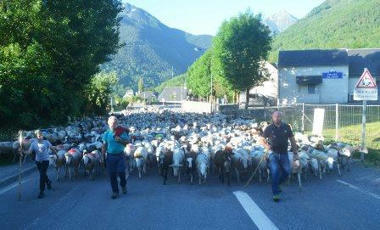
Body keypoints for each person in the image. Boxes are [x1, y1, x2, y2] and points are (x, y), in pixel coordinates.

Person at [260, 111, 298, 202]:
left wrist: (295, 152)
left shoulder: (286, 127)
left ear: (281, 117)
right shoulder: (269, 128)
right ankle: (276, 193)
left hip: (284, 153)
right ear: (272, 118)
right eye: (275, 116)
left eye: (279, 116)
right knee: (275, 171)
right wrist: (266, 146)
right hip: (273, 154)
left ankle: (277, 184)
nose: (277, 118)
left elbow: (292, 140)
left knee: (287, 171)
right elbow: (261, 140)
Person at [102, 116, 130, 199]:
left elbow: (127, 142)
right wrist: (102, 156)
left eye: (114, 123)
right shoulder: (106, 133)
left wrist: (120, 140)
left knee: (121, 172)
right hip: (110, 156)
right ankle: (115, 192)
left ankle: (123, 185)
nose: (112, 125)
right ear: (108, 123)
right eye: (110, 123)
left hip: (120, 155)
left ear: (117, 124)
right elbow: (104, 145)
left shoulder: (121, 132)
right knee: (112, 174)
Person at [26, 130, 56, 199]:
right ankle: (48, 182)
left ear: (42, 136)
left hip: (45, 161)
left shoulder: (46, 142)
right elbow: (29, 152)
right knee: (43, 174)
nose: (40, 137)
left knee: (42, 175)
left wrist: (56, 154)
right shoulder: (33, 144)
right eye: (39, 136)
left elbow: (52, 148)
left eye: (41, 135)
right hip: (38, 161)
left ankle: (41, 192)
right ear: (36, 137)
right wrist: (22, 151)